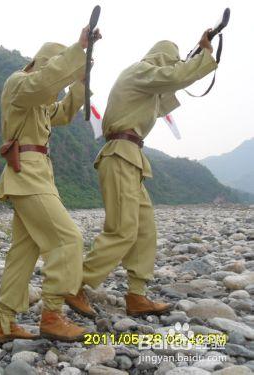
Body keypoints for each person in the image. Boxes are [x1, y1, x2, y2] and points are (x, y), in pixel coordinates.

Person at [80, 30, 218, 316]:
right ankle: (73, 284)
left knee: (144, 228)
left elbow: (164, 95)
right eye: (173, 60)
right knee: (121, 229)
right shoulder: (140, 71)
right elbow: (174, 77)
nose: (173, 65)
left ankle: (137, 295)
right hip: (120, 154)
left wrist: (192, 62)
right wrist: (203, 56)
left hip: (130, 157)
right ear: (164, 58)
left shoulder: (145, 83)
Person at [0, 25, 101, 344]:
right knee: (68, 240)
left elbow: (65, 112)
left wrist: (81, 80)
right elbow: (43, 82)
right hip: (28, 173)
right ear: (46, 65)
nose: (57, 84)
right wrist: (78, 50)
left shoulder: (38, 103)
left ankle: (6, 323)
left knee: (23, 253)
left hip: (35, 173)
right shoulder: (19, 83)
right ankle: (52, 315)